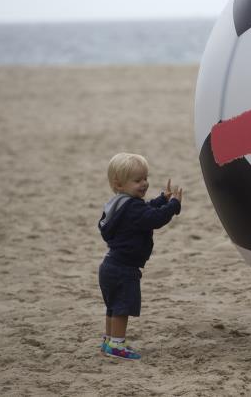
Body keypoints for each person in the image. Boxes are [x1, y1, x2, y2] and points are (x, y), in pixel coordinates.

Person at [97, 153, 182, 360]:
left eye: (145, 178)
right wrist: (173, 205)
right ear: (119, 183)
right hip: (123, 269)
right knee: (122, 307)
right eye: (137, 180)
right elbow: (155, 218)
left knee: (113, 306)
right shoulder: (133, 208)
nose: (144, 183)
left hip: (109, 265)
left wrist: (162, 198)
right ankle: (117, 345)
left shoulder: (119, 204)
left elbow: (145, 209)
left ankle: (109, 341)